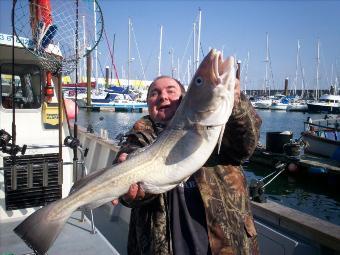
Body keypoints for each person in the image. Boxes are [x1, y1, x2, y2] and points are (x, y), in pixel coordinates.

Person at [113, 75, 262, 255]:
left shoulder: (214, 124)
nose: (163, 97)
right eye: (154, 93)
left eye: (170, 90)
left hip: (227, 243)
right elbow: (126, 187)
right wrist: (130, 189)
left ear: (185, 98)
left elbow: (246, 143)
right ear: (148, 104)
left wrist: (237, 102)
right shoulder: (139, 137)